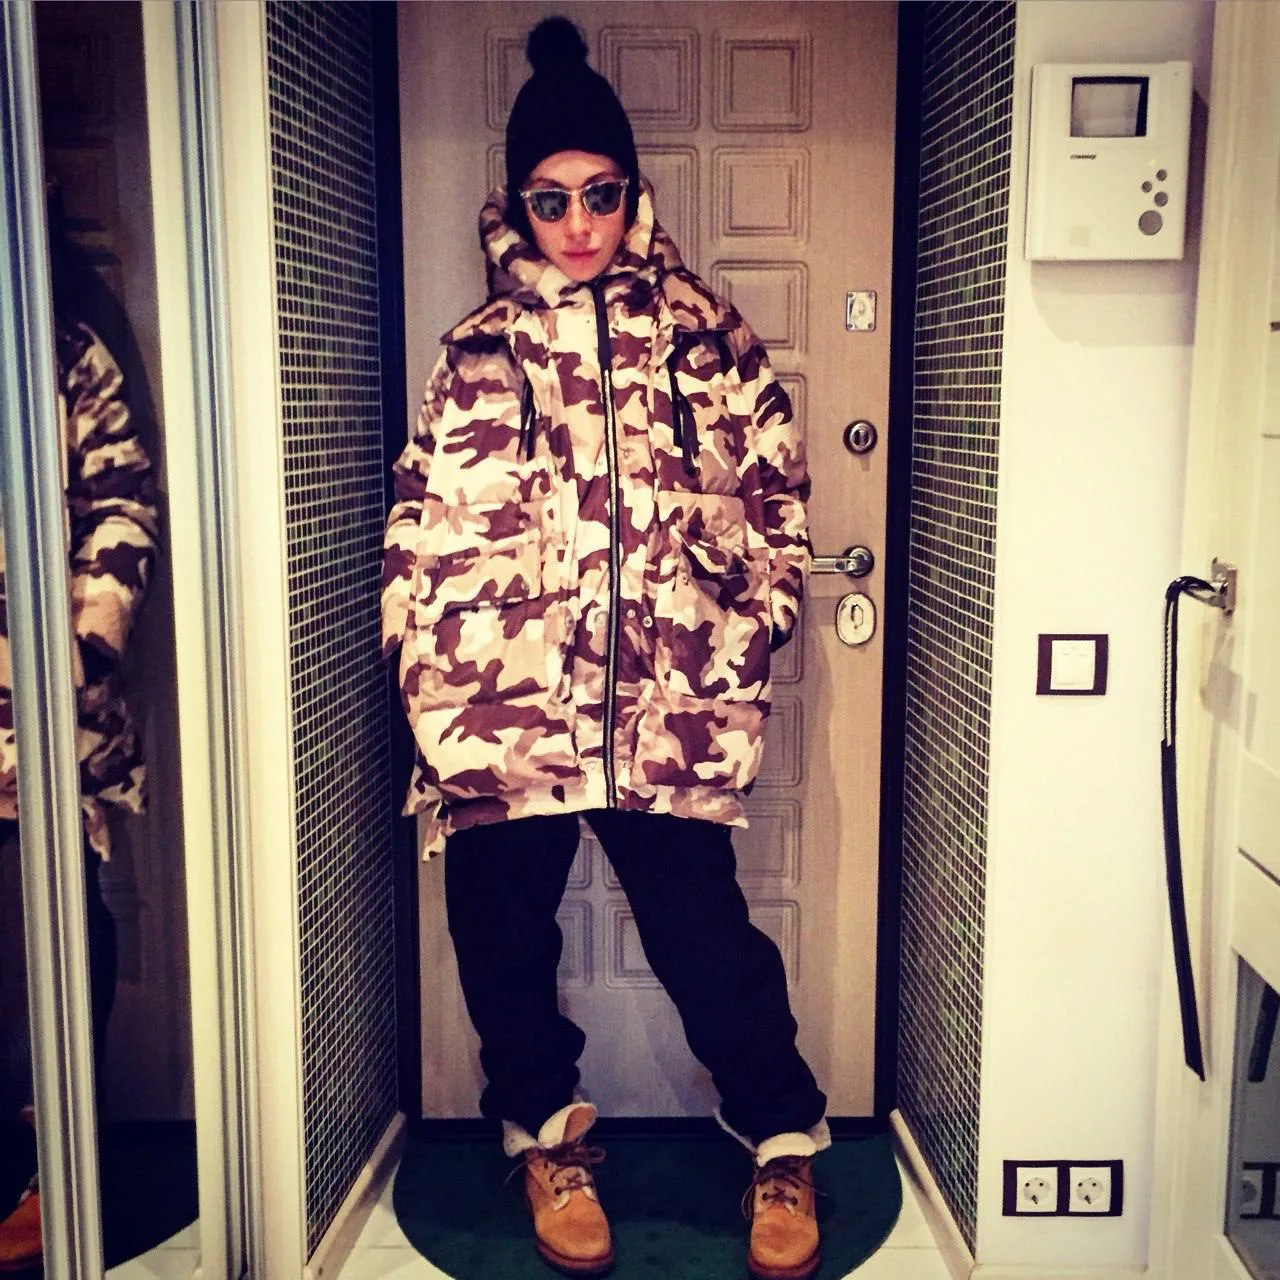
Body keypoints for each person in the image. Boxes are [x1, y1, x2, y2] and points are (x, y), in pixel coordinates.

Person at [382, 17, 827, 1279]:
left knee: (706, 942)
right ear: (516, 204)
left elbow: (779, 495)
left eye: (599, 192)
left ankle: (780, 1137)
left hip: (665, 708)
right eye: (550, 197)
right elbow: (417, 518)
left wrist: (752, 623)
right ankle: (545, 1136)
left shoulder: (707, 335)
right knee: (503, 940)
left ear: (631, 193)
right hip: (503, 710)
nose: (577, 222)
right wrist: (422, 664)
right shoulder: (473, 352)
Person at [0, 291, 159, 1272]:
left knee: (52, 917)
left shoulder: (53, 343)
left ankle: (55, 1160)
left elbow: (122, 502)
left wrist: (80, 651)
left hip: (40, 699)